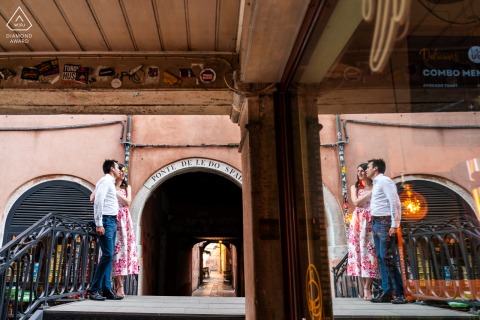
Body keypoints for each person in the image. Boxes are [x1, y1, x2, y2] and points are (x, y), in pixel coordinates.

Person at [365, 158, 406, 304]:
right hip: (377, 222)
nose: (366, 170)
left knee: (387, 257)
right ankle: (387, 291)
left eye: (368, 167)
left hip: (385, 221)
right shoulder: (376, 184)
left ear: (375, 168)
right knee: (381, 258)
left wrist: (395, 224)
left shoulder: (384, 181)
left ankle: (400, 293)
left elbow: (394, 201)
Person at [89, 159, 124, 301]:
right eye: (117, 167)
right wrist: (98, 223)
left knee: (109, 256)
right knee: (108, 255)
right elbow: (98, 201)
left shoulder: (110, 182)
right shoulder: (105, 181)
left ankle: (106, 289)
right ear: (111, 168)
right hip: (106, 220)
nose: (119, 169)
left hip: (111, 221)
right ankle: (94, 289)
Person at [346, 163, 379, 301]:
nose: (360, 173)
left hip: (371, 221)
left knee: (370, 254)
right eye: (358, 171)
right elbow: (356, 202)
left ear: (367, 172)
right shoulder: (355, 187)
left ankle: (367, 287)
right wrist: (370, 192)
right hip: (359, 222)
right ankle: (366, 288)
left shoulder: (376, 185)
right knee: (360, 253)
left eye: (362, 171)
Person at [111, 164, 139, 297]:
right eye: (120, 170)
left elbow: (128, 202)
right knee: (115, 253)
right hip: (113, 219)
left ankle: (119, 285)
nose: (122, 173)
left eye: (123, 171)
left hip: (124, 221)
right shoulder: (109, 184)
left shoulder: (127, 187)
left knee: (123, 254)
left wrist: (115, 192)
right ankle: (119, 286)